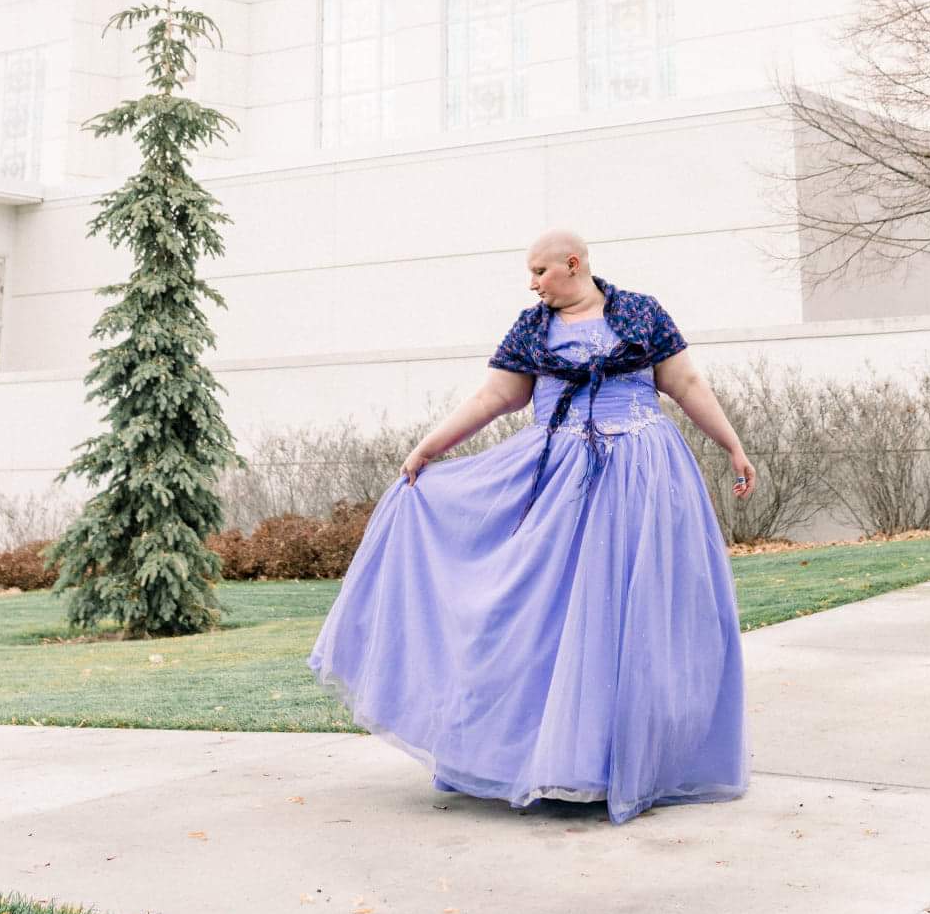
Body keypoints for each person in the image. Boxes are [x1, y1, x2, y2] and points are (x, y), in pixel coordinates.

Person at [307, 227, 756, 825]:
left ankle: (619, 763)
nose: (532, 283)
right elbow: (492, 398)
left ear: (573, 265)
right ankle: (542, 758)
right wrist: (428, 449)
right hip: (560, 483)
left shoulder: (642, 315)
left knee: (633, 619)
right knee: (545, 614)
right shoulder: (531, 329)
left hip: (644, 481)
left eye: (540, 272)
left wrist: (732, 446)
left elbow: (686, 384)